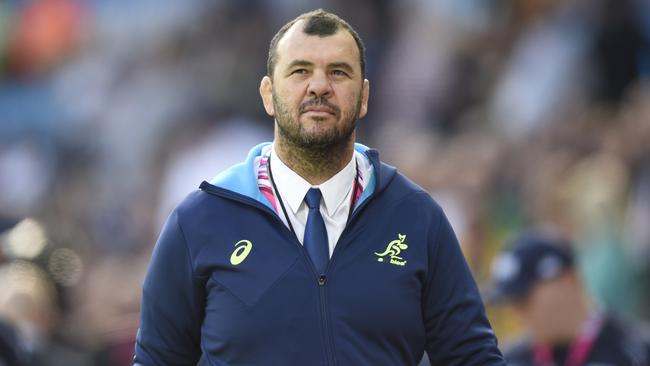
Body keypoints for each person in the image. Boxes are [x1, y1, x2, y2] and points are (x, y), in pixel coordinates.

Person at [134, 9, 504, 365]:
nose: (319, 86)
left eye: (339, 72)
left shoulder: (416, 217)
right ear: (268, 94)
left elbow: (471, 356)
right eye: (299, 71)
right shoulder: (199, 221)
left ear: (364, 97)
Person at [487, 231, 650, 365]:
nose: (517, 315)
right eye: (512, 304)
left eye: (524, 300)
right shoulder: (511, 360)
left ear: (567, 281)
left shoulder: (636, 351)